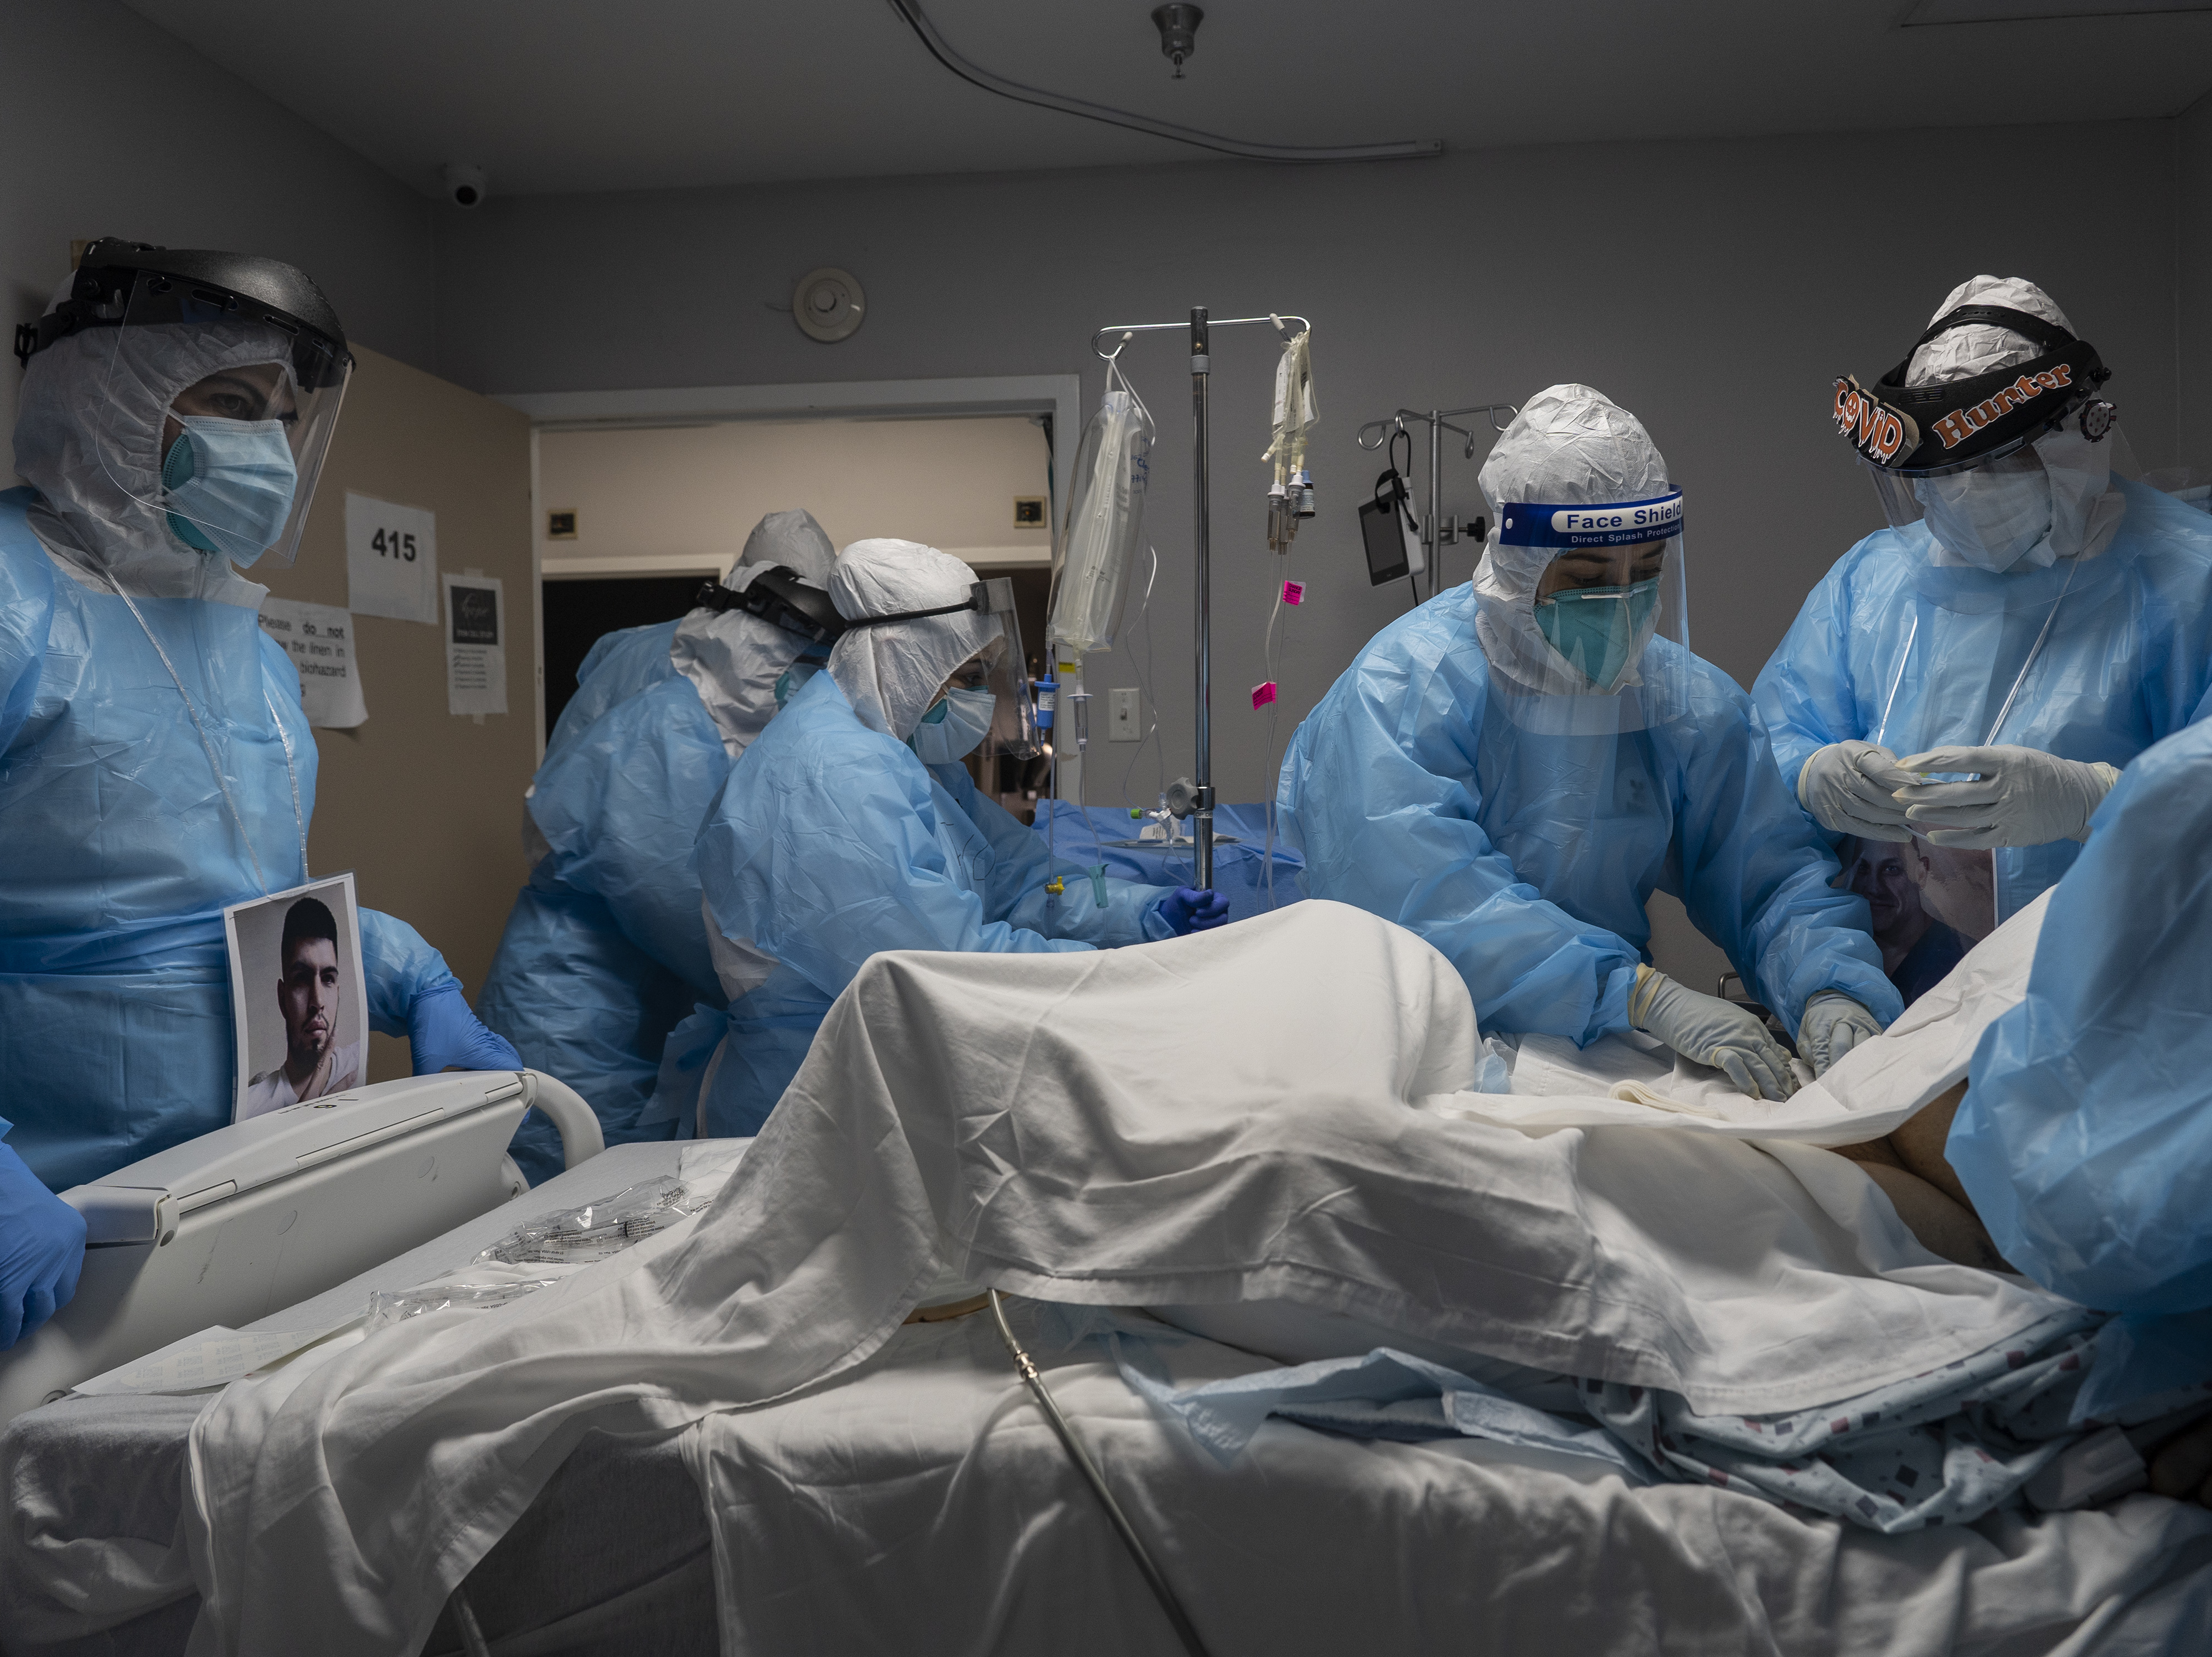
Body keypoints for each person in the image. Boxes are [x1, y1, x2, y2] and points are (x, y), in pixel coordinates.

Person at [0, 241, 518, 1345]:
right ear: (108, 399)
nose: (268, 449)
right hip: (52, 1219)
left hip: (240, 1186)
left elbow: (227, 907)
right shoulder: (11, 608)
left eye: (282, 417)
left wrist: (405, 971)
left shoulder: (248, 646)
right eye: (231, 403)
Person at [1279, 384, 1896, 1101]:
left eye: (1646, 573)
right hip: (1405, 1040)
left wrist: (1829, 986)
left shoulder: (1680, 702)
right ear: (1517, 562)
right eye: (1587, 578)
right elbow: (1425, 895)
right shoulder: (1406, 688)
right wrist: (1635, 994)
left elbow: (1769, 872)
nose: (1622, 601)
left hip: (1593, 1049)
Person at [690, 538, 1228, 1135]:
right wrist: (1122, 980)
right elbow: (943, 964)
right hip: (820, 1100)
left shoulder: (909, 756)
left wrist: (1142, 915)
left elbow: (1019, 880)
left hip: (887, 1076)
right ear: (900, 658)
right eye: (968, 674)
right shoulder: (831, 774)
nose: (979, 695)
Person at [1756, 276, 2212, 927]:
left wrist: (2098, 800)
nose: (1968, 493)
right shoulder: (1874, 583)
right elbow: (1769, 738)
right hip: (1900, 1005)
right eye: (1942, 473)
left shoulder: (2189, 580)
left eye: (2001, 463)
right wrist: (1808, 773)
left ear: (2079, 433)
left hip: (2106, 998)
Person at [478, 512, 843, 1181]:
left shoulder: (660, 659)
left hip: (643, 995)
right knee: (559, 1220)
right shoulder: (665, 725)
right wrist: (799, 986)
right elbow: (682, 903)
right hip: (580, 1016)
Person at [241, 896, 363, 1118]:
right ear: (282, 998)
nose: (318, 1002)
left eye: (327, 979)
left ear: (338, 992)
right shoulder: (251, 1109)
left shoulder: (359, 1063)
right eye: (302, 980)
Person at [1833, 835, 1965, 1007]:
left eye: (1891, 869)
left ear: (1922, 873)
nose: (1874, 888)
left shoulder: (1957, 967)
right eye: (1863, 868)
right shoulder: (1840, 952)